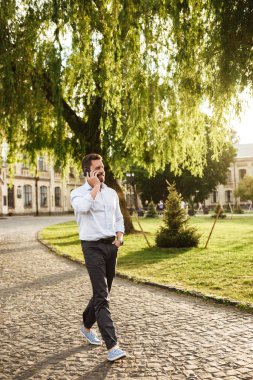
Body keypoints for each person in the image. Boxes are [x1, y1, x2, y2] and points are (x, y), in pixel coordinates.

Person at [71, 153, 126, 362]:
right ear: (88, 172)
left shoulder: (111, 193)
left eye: (102, 167)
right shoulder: (77, 193)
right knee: (102, 297)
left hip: (111, 247)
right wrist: (94, 187)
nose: (102, 171)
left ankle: (86, 326)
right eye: (97, 169)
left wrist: (119, 238)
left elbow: (119, 218)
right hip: (92, 248)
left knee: (102, 292)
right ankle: (112, 346)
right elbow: (82, 208)